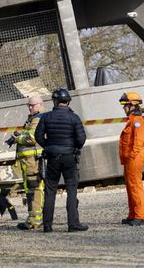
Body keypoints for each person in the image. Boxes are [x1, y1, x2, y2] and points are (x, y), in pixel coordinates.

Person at [35, 88, 88, 233]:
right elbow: (81, 138)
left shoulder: (46, 117)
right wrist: (74, 147)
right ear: (68, 101)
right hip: (69, 157)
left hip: (52, 158)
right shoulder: (74, 118)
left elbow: (38, 136)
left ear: (55, 101)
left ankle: (47, 225)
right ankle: (73, 224)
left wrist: (49, 146)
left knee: (50, 190)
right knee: (71, 190)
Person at [13, 95, 45, 230]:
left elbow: (32, 137)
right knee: (30, 189)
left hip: (33, 161)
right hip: (28, 162)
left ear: (40, 104)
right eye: (28, 105)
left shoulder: (38, 118)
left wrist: (18, 138)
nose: (30, 107)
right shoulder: (32, 118)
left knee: (35, 188)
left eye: (32, 105)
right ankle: (32, 218)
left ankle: (36, 220)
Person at [119, 92, 144, 226]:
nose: (123, 108)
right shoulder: (131, 120)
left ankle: (141, 216)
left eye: (125, 105)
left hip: (134, 158)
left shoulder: (137, 121)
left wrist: (131, 156)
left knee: (135, 186)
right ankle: (133, 215)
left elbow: (139, 142)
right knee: (130, 187)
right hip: (129, 159)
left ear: (133, 105)